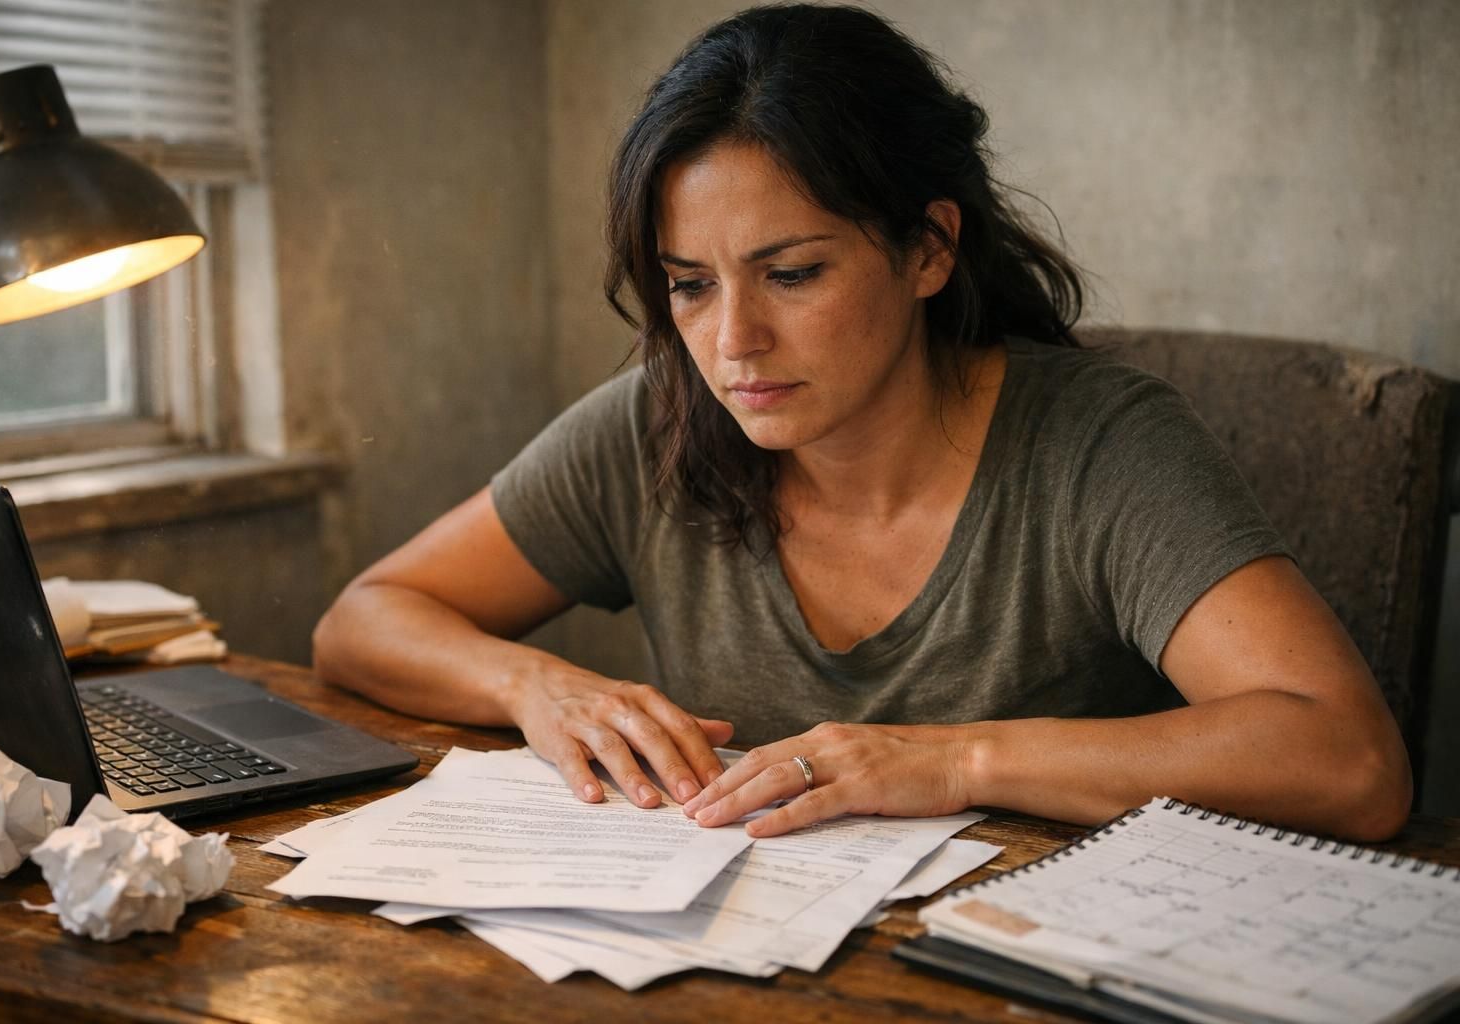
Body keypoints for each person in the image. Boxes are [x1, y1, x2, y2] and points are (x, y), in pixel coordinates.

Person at [313, 3, 1411, 842]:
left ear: (929, 248)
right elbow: (364, 619)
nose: (732, 341)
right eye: (689, 283)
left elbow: (1349, 756)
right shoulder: (659, 418)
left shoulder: (1099, 444)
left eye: (791, 273)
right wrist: (534, 683)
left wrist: (953, 762)